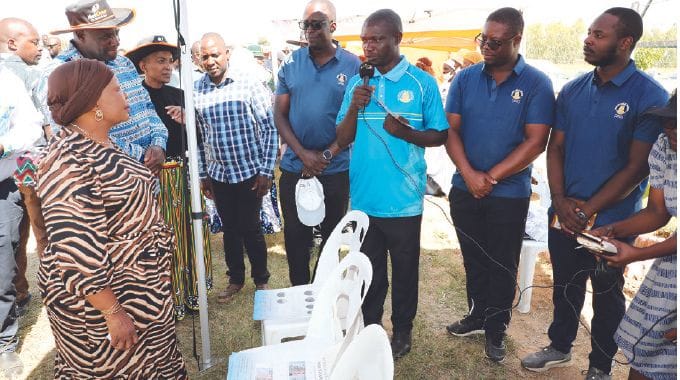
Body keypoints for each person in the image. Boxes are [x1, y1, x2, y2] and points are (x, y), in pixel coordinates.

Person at [521, 8, 669, 380]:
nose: (588, 39)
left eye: (598, 35)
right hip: (565, 211)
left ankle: (600, 366)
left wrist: (589, 209)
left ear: (625, 43)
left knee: (607, 293)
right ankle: (559, 347)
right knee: (565, 284)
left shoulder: (649, 95)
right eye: (588, 32)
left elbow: (637, 168)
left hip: (613, 221)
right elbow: (555, 148)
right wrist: (560, 199)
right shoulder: (573, 89)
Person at [38, 59, 187, 379]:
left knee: (155, 364)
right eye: (118, 90)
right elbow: (76, 250)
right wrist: (112, 311)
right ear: (93, 103)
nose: (128, 97)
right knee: (117, 369)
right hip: (105, 300)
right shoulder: (69, 160)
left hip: (138, 287)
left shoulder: (102, 143)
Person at [444, 7, 555, 363]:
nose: (486, 47)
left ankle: (496, 329)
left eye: (495, 42)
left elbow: (536, 141)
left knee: (502, 262)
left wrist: (490, 178)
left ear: (516, 40)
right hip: (465, 188)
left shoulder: (537, 83)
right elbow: (451, 131)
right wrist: (470, 175)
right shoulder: (464, 79)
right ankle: (476, 315)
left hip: (508, 194)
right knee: (473, 258)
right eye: (483, 39)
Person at [335, 9, 448, 359]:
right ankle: (371, 328)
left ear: (397, 39)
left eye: (377, 39)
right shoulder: (358, 83)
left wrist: (407, 133)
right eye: (365, 39)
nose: (369, 46)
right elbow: (341, 136)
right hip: (365, 200)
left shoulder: (421, 83)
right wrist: (354, 107)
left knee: (403, 274)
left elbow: (440, 134)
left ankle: (402, 332)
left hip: (403, 201)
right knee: (369, 273)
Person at [125, 35, 214, 320]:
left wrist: (188, 120)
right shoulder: (134, 98)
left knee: (190, 232)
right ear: (143, 64)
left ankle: (193, 293)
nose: (167, 67)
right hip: (154, 179)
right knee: (163, 238)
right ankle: (169, 297)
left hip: (184, 176)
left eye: (170, 61)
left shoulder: (180, 95)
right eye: (160, 61)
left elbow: (199, 138)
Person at [591, 92, 677, 380]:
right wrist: (615, 230)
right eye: (668, 122)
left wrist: (637, 254)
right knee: (647, 346)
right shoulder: (666, 146)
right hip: (672, 269)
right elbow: (657, 211)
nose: (670, 130)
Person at [275, 0, 360, 286]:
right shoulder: (291, 63)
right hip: (295, 168)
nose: (310, 30)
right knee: (297, 242)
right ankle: (301, 295)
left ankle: (324, 295)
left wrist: (325, 155)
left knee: (333, 239)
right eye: (306, 24)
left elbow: (356, 119)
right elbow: (280, 114)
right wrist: (303, 155)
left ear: (333, 26)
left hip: (334, 170)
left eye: (317, 23)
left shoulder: (353, 65)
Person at [194, 32, 278, 301]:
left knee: (251, 227)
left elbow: (269, 127)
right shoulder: (196, 90)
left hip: (249, 172)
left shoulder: (249, 83)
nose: (210, 61)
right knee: (229, 228)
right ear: (199, 59)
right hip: (219, 174)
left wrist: (266, 171)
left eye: (215, 54)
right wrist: (203, 175)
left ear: (226, 53)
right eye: (205, 56)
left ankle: (261, 280)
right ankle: (235, 280)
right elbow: (197, 137)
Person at [38, 0, 167, 174]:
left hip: (148, 176)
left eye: (116, 33)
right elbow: (72, 133)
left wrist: (158, 144)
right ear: (81, 35)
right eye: (106, 36)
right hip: (107, 180)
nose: (116, 41)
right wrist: (140, 156)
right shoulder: (60, 73)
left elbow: (147, 107)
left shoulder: (124, 63)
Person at [0, 17, 47, 317]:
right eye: (35, 42)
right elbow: (40, 121)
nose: (40, 48)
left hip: (19, 160)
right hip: (27, 160)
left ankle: (20, 289)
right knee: (39, 223)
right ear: (13, 43)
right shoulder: (18, 70)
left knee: (20, 230)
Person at [0, 66, 42, 376]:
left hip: (4, 183)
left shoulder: (7, 79)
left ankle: (5, 344)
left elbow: (31, 127)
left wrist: (4, 144)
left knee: (3, 267)